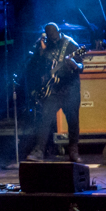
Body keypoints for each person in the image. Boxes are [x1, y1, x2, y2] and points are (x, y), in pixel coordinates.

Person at [27, 22, 84, 163]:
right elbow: (36, 66)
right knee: (45, 118)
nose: (54, 39)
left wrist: (75, 65)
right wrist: (41, 51)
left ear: (59, 32)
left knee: (73, 120)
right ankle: (39, 150)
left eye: (55, 36)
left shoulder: (70, 44)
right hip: (53, 90)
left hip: (70, 88)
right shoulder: (44, 46)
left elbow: (82, 66)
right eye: (50, 38)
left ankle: (73, 151)